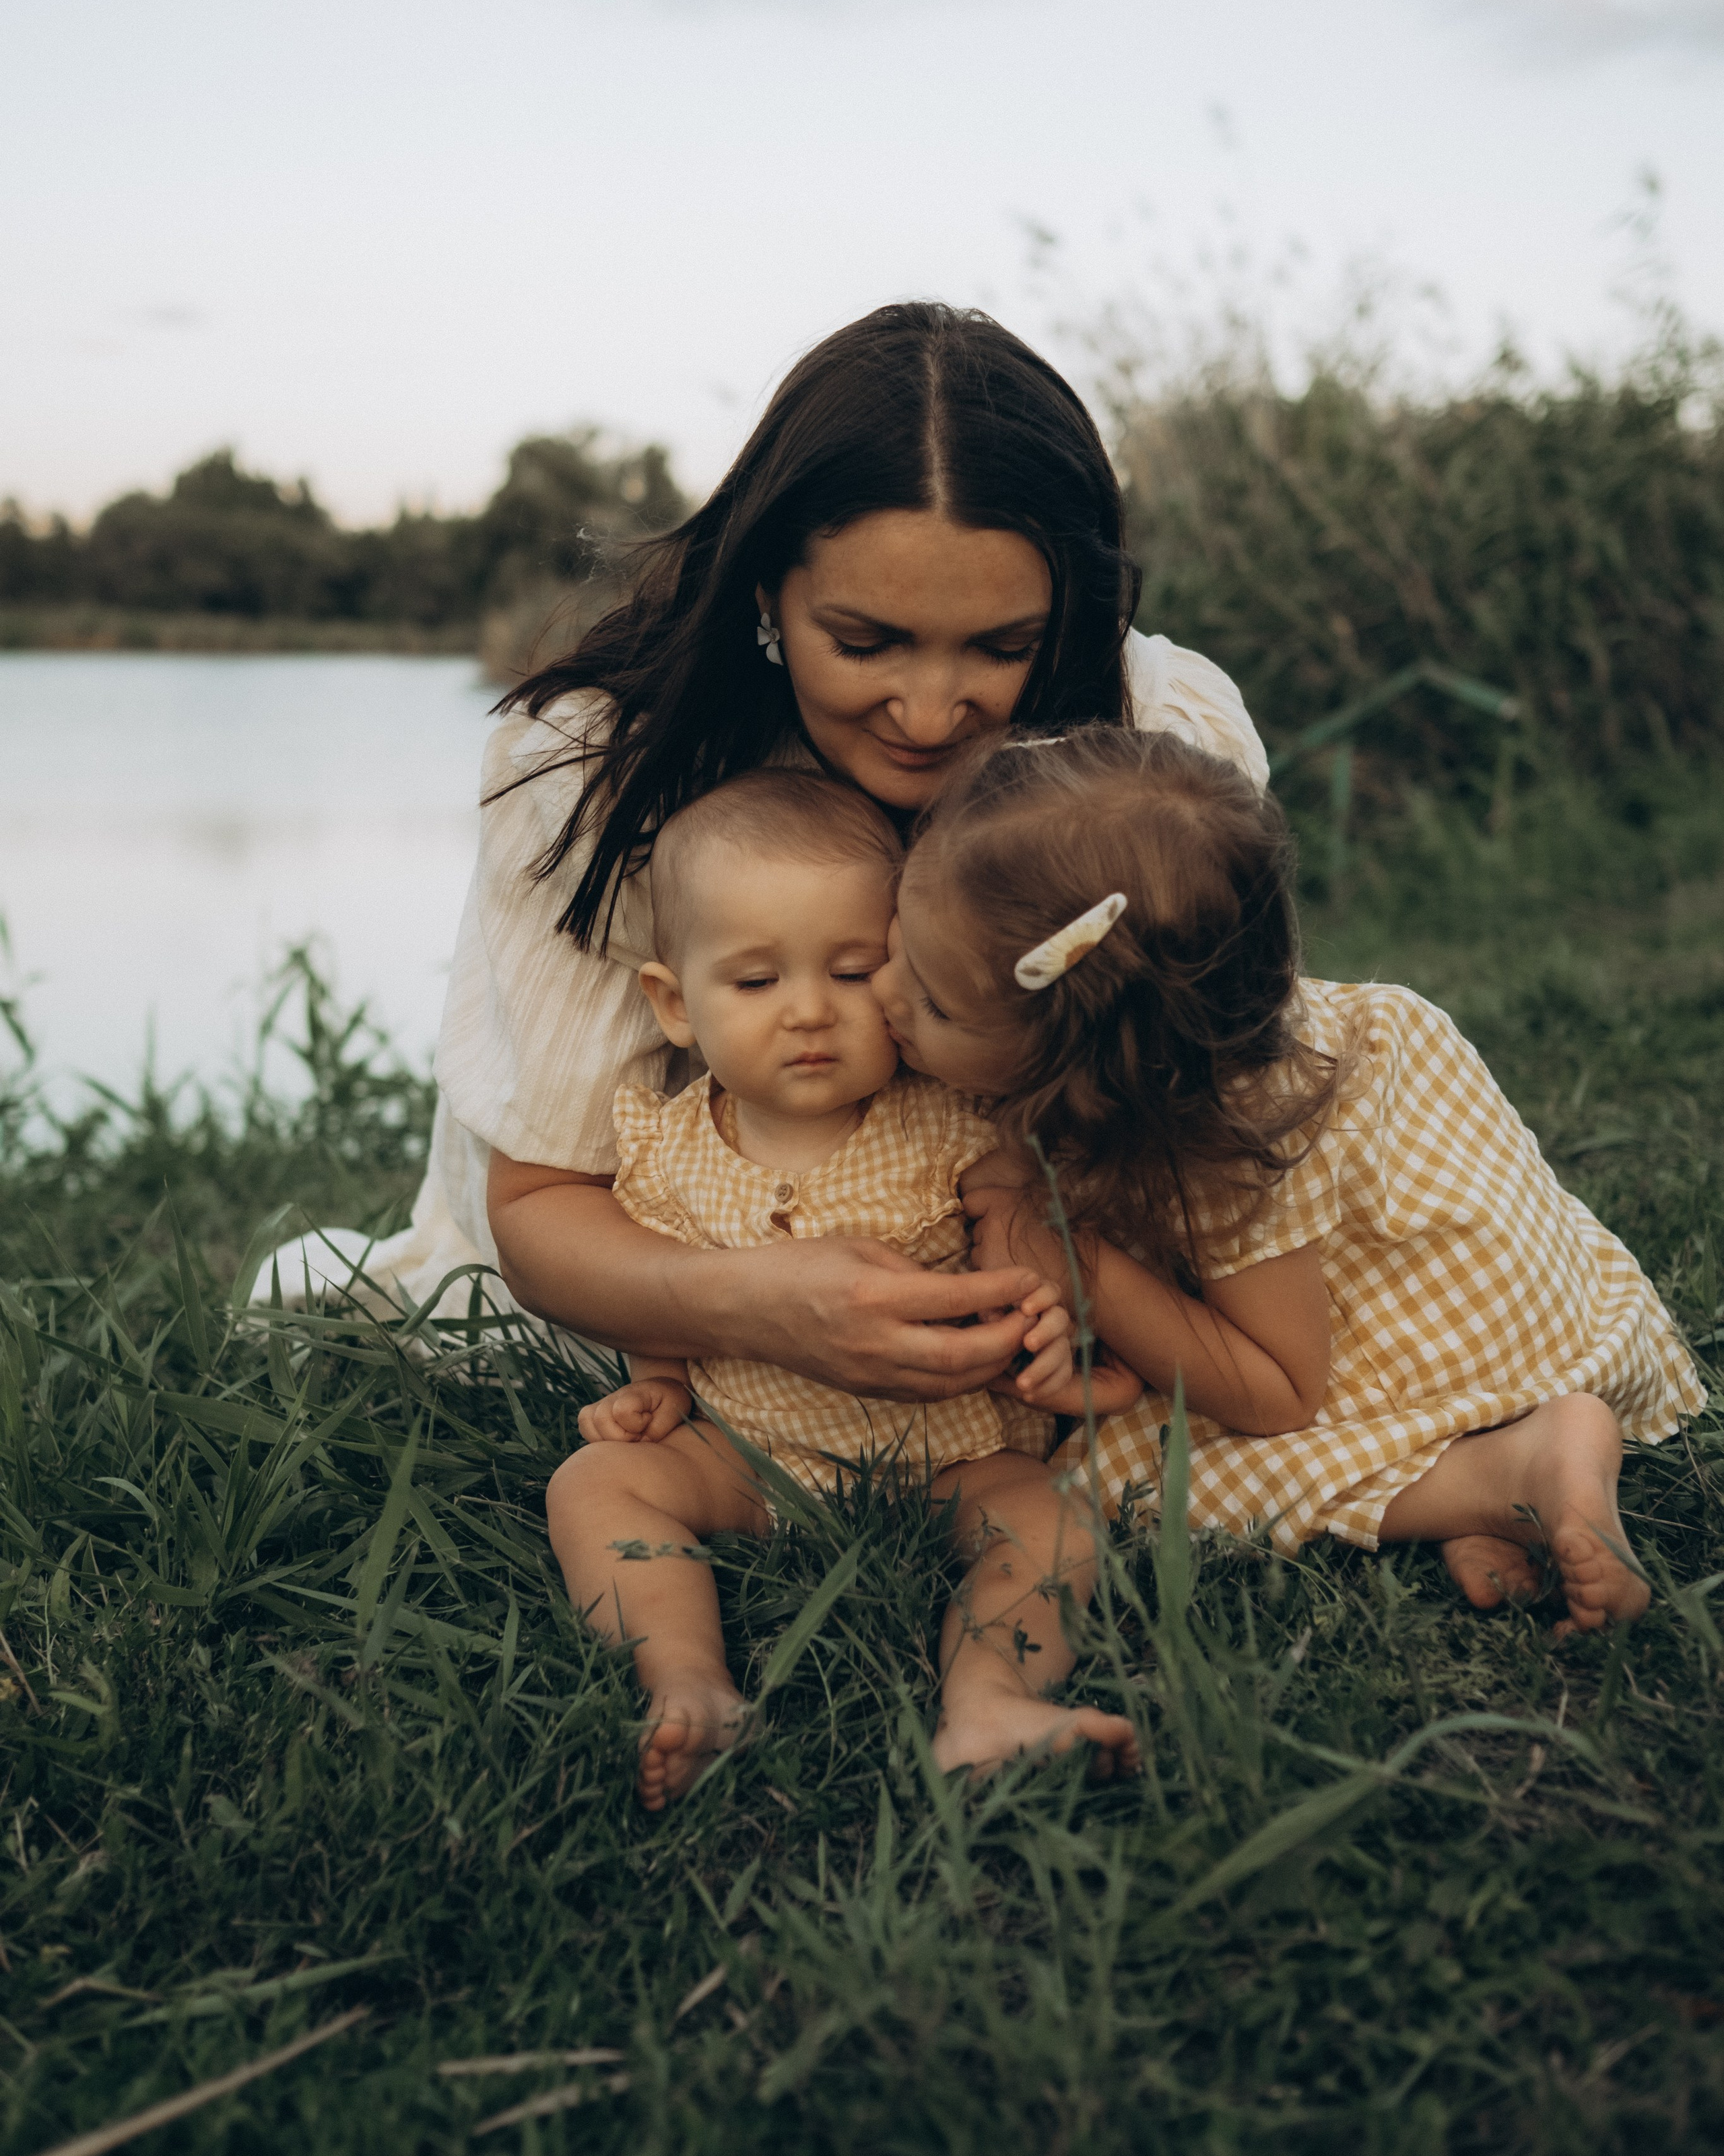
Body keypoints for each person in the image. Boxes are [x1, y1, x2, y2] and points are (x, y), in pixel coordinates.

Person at [261, 302, 1269, 1417]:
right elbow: (546, 1207)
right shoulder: (599, 771)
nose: (932, 715)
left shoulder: (1158, 737)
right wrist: (754, 1304)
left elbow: (1201, 1118)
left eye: (1003, 648)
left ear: (1067, 621)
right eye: (866, 641)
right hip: (649, 1293)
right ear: (764, 596)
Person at [872, 725, 1704, 1638]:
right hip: (1500, 1283)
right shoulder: (1202, 1039)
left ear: (1081, 1055)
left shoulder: (1223, 1150)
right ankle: (1474, 1506)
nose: (882, 991)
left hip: (1414, 1339)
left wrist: (1083, 1266)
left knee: (1132, 1483)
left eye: (936, 999)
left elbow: (1277, 1391)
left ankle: (1508, 1471)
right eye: (896, 946)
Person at [544, 766, 1139, 1807]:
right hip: (745, 1454)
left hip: (952, 1454)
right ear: (674, 1004)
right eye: (757, 982)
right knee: (592, 1486)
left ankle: (991, 1701)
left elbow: (1031, 1259)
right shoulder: (666, 1147)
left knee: (1055, 1522)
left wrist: (1050, 1331)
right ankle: (688, 1680)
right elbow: (660, 1278)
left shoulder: (955, 1122)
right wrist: (661, 1385)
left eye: (855, 971)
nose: (810, 1012)